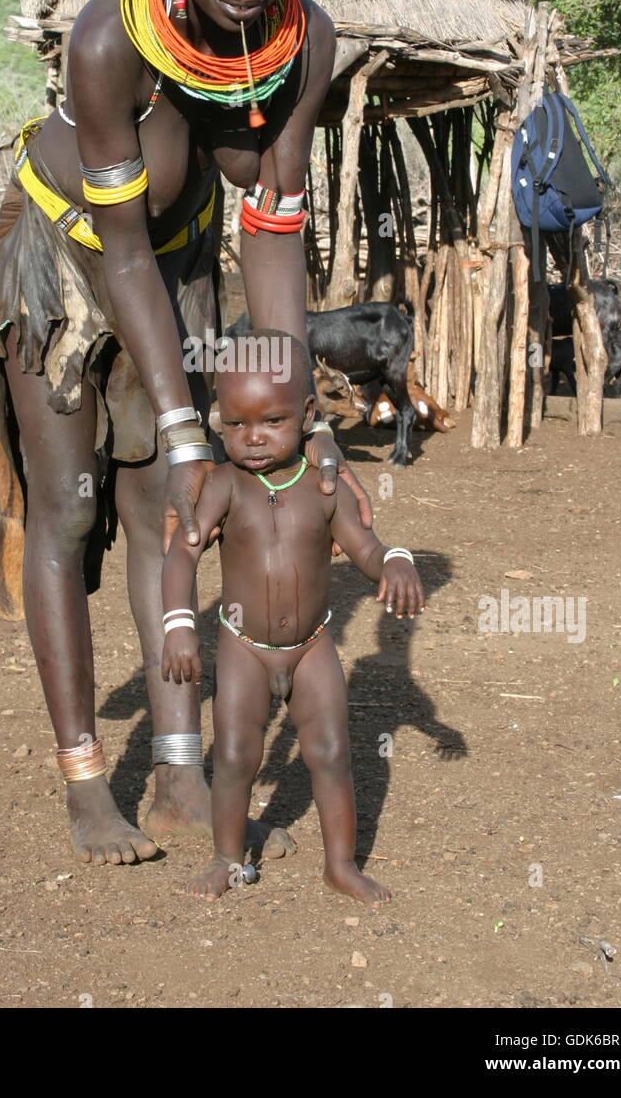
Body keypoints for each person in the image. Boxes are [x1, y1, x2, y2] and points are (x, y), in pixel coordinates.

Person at [0, 0, 372, 869]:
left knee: (161, 510)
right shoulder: (108, 40)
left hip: (176, 254)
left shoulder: (304, 40)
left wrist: (298, 417)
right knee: (71, 504)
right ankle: (86, 782)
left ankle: (180, 770)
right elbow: (121, 248)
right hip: (65, 255)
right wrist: (187, 420)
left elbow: (273, 226)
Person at [161, 330, 424, 904]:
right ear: (218, 423)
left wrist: (396, 562)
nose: (252, 439)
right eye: (234, 425)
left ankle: (341, 865)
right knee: (235, 756)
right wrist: (179, 623)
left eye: (272, 422)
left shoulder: (324, 487)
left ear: (308, 414)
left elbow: (365, 549)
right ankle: (227, 859)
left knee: (329, 752)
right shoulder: (225, 485)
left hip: (311, 647)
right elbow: (183, 549)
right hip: (242, 648)